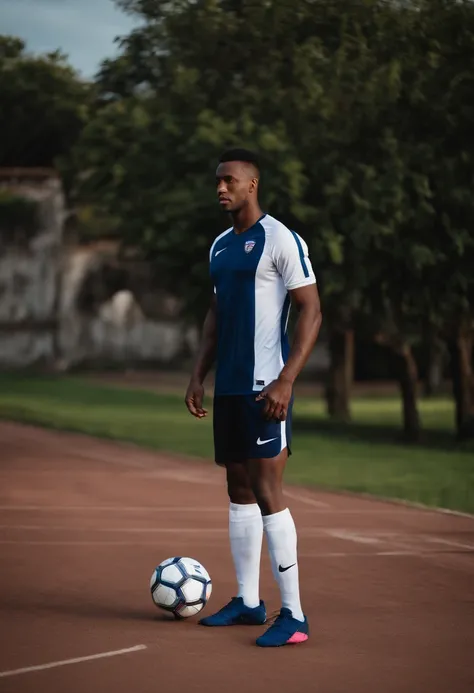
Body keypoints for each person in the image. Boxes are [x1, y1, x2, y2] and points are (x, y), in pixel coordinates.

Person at [184, 148, 322, 647]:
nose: (221, 188)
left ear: (253, 184)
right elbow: (215, 316)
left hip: (268, 389)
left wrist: (287, 380)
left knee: (268, 492)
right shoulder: (220, 245)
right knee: (238, 489)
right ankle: (248, 602)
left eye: (229, 180)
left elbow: (310, 310)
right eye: (217, 181)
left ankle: (295, 616)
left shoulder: (281, 239)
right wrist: (200, 374)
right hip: (231, 388)